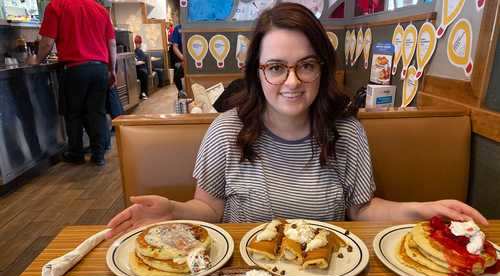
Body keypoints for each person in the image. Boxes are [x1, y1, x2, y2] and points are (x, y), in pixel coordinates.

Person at [106, 3, 486, 237]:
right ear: (257, 72)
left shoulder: (346, 132)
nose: (292, 81)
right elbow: (210, 210)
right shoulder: (226, 131)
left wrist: (418, 210)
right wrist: (174, 212)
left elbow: (363, 209)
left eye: (306, 65)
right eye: (276, 67)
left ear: (322, 68)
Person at [29, 0, 116, 167]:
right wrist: (112, 69)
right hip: (99, 69)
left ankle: (76, 153)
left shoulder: (56, 6)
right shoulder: (100, 9)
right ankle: (99, 155)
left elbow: (47, 42)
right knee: (96, 112)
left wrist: (37, 60)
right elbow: (111, 43)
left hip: (75, 69)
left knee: (73, 112)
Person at [170, 24, 185, 93]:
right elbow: (175, 47)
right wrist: (183, 58)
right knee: (177, 76)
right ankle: (181, 92)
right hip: (181, 59)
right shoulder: (178, 28)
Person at [134, 35, 149, 100]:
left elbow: (143, 60)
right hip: (138, 69)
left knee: (144, 73)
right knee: (143, 73)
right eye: (136, 43)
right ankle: (143, 93)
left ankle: (143, 93)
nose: (137, 44)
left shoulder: (141, 51)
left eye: (138, 43)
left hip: (142, 69)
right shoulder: (134, 51)